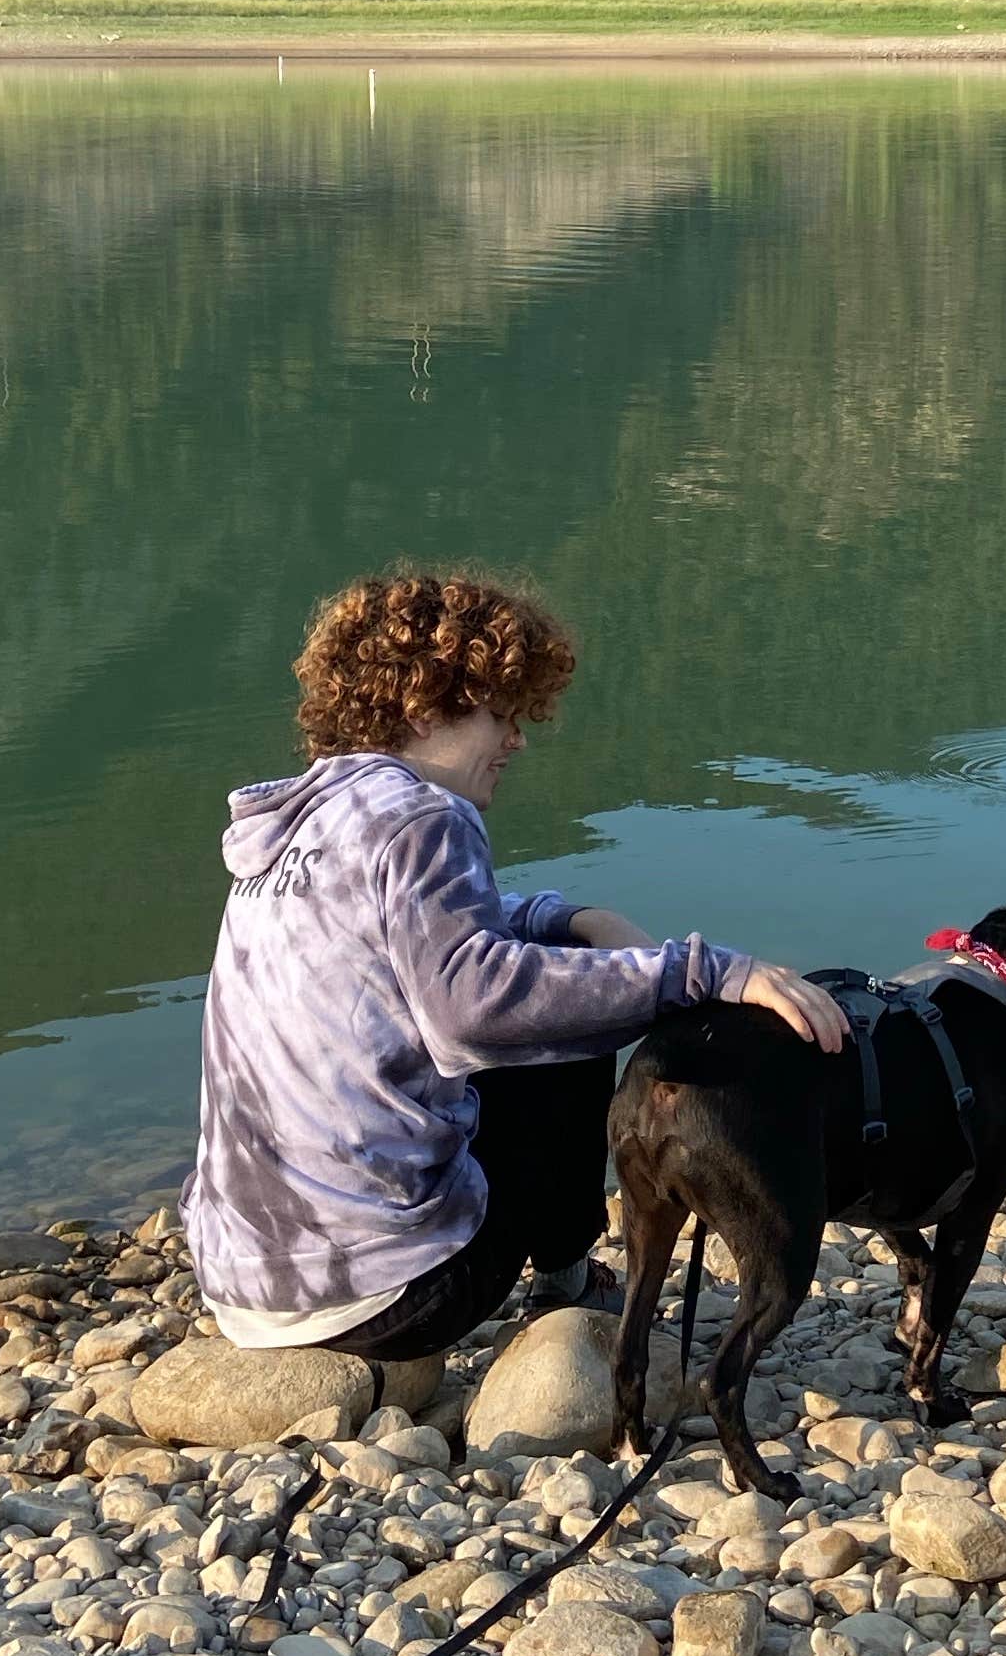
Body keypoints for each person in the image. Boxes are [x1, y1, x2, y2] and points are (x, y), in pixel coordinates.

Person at [183, 568, 843, 1369]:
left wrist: (569, 915)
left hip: (242, 1285)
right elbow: (476, 1006)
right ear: (423, 707)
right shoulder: (425, 817)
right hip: (390, 1295)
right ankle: (567, 1282)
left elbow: (428, 928)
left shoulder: (300, 824)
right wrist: (701, 972)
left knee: (553, 963)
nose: (518, 739)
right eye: (501, 713)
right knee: (557, 1007)